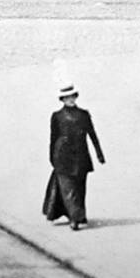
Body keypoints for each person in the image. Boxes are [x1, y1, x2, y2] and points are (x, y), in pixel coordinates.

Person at [42, 83, 106, 231]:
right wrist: (51, 156)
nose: (70, 100)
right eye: (66, 98)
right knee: (69, 190)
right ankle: (74, 219)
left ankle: (80, 214)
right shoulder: (57, 116)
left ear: (76, 97)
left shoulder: (84, 115)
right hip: (63, 157)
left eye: (72, 97)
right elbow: (53, 138)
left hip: (81, 156)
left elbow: (92, 134)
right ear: (62, 100)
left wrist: (99, 154)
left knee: (80, 188)